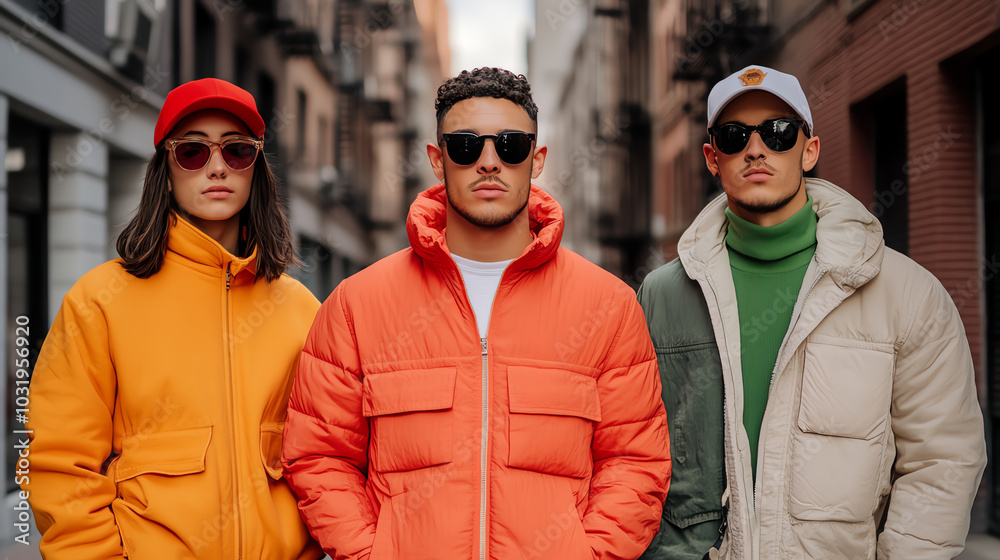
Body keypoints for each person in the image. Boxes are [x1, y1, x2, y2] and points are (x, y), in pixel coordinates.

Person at [281, 67, 671, 560]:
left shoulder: (609, 307)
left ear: (537, 159)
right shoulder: (356, 305)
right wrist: (370, 553)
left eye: (511, 145)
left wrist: (587, 554)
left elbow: (635, 462)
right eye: (465, 146)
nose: (489, 162)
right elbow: (321, 457)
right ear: (437, 160)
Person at [637, 65, 987, 559]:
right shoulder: (661, 295)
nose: (756, 149)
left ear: (809, 150)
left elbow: (942, 459)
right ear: (713, 158)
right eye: (735, 136)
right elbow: (632, 451)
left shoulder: (907, 293)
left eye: (778, 132)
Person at [24, 78, 323, 559]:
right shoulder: (99, 301)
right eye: (192, 152)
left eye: (237, 151)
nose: (217, 167)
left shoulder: (302, 310)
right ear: (165, 171)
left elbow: (325, 460)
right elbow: (61, 465)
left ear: (256, 170)